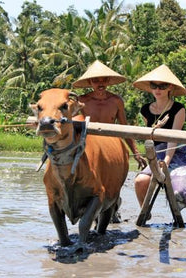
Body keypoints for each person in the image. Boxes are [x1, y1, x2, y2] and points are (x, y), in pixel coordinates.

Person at [73, 60, 147, 222]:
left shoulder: (116, 101)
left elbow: (124, 126)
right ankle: (90, 210)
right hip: (90, 146)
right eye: (95, 80)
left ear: (108, 81)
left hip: (112, 148)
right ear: (90, 83)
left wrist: (135, 152)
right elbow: (73, 125)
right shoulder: (81, 101)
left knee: (114, 182)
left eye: (103, 80)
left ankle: (113, 206)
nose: (100, 84)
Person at [132, 64, 186, 226]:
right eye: (154, 86)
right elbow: (151, 137)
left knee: (179, 192)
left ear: (170, 87)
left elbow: (173, 138)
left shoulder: (178, 109)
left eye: (162, 86)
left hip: (179, 154)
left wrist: (166, 162)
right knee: (140, 181)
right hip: (157, 153)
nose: (158, 89)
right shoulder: (145, 110)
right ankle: (145, 211)